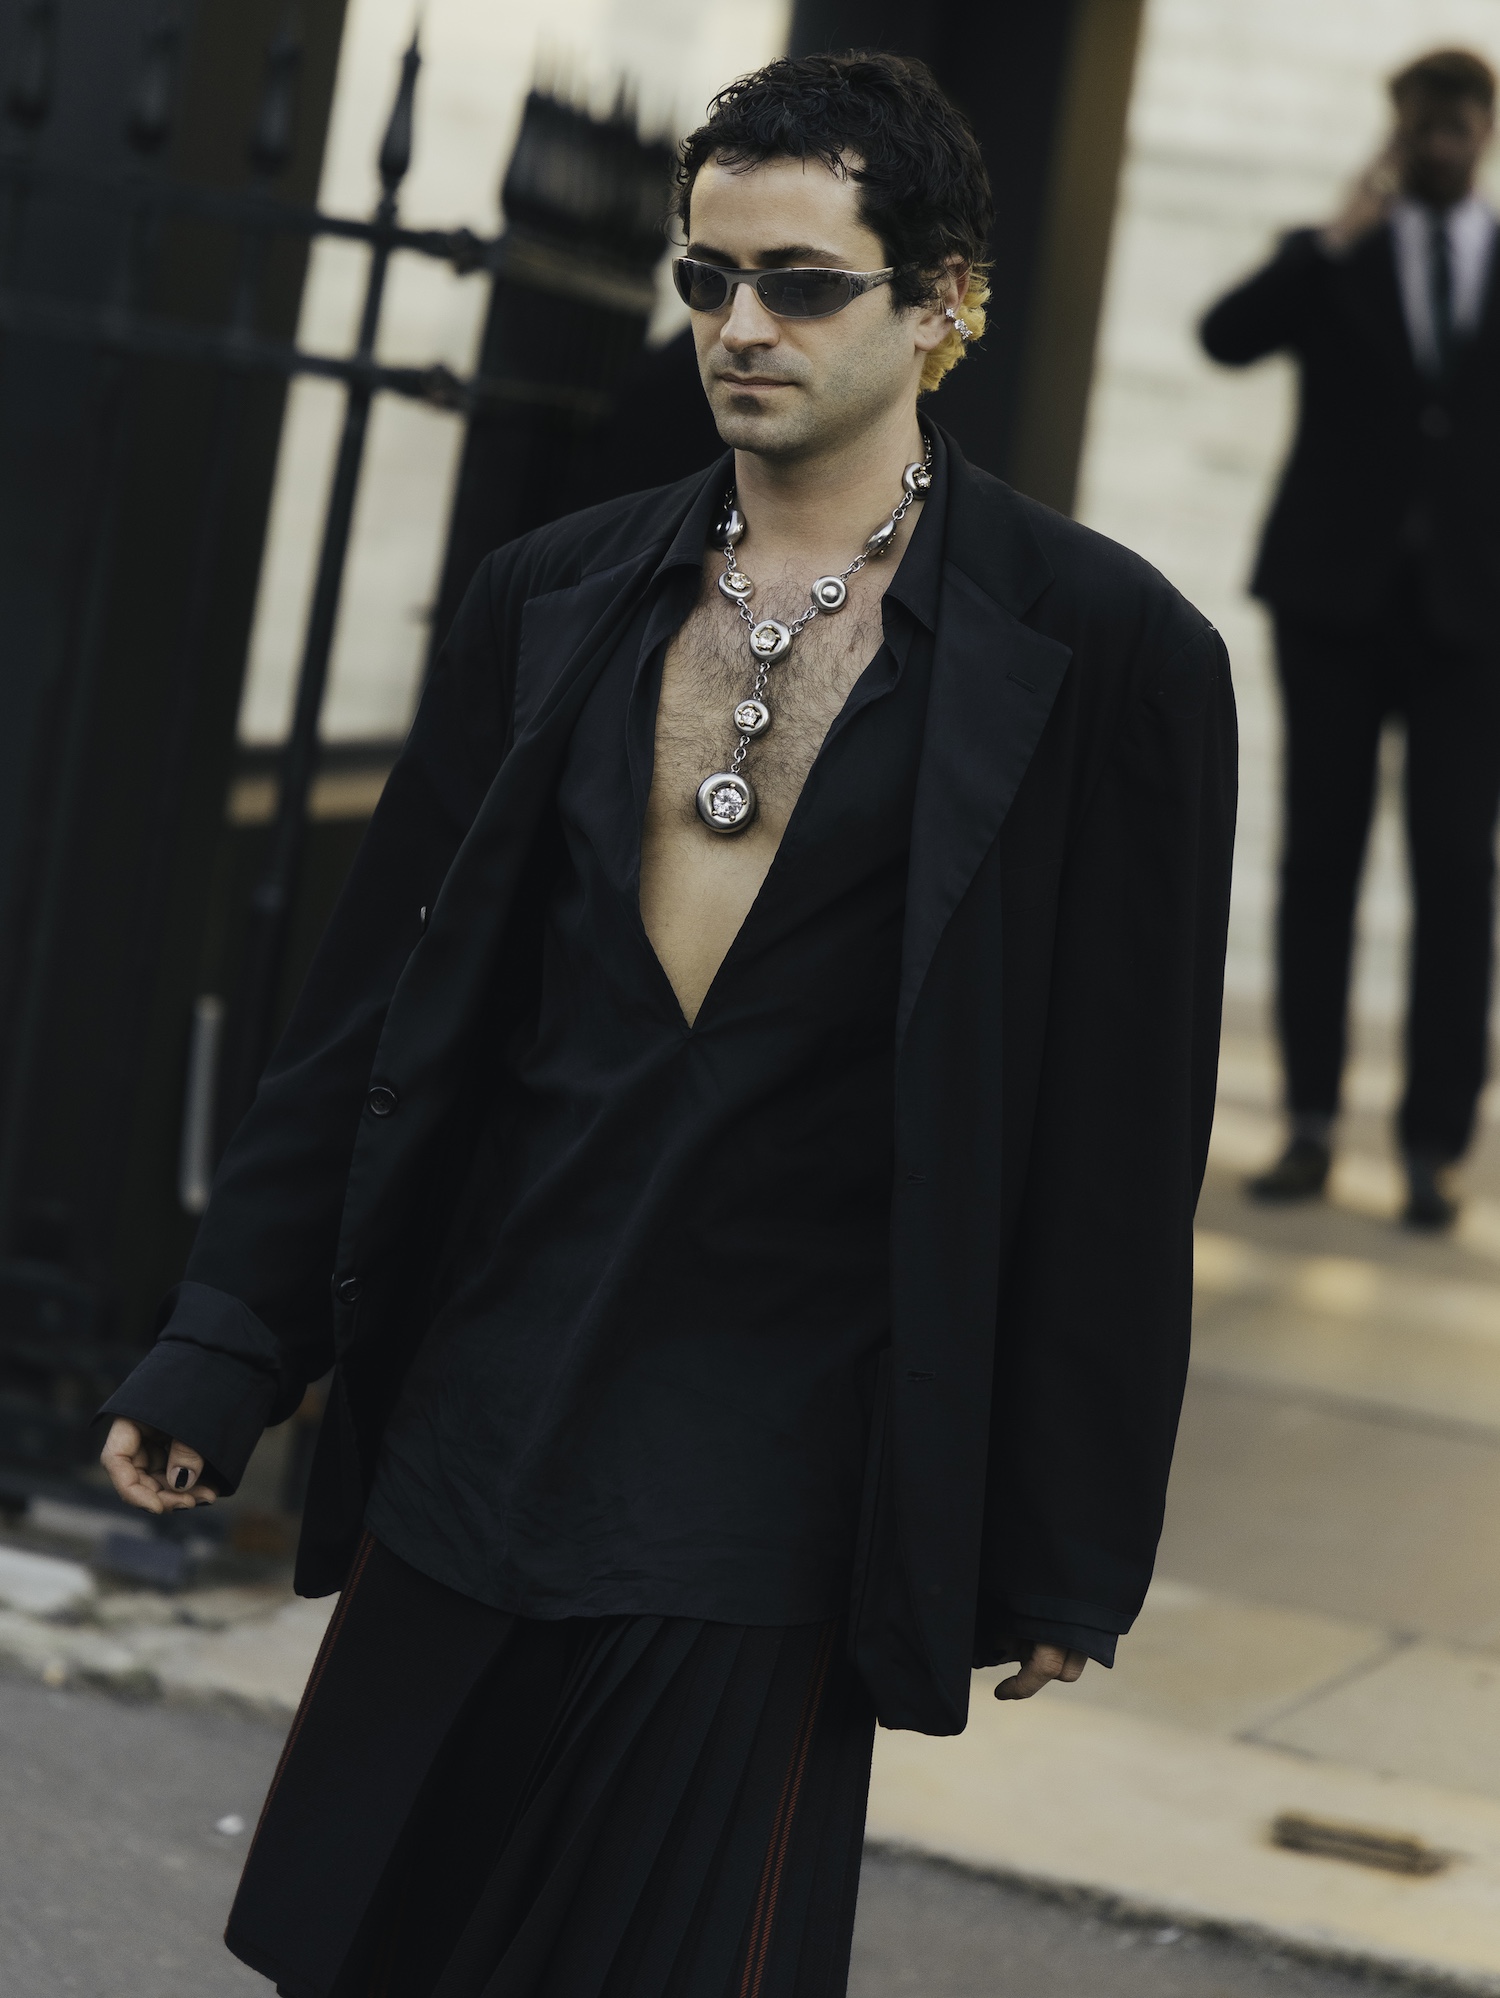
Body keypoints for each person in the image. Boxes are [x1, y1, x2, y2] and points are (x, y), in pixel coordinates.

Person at [97, 51, 1236, 1998]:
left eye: (803, 282)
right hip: (487, 1401)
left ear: (945, 303)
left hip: (777, 1462)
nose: (741, 325)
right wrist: (230, 1335)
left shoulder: (1110, 655)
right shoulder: (555, 596)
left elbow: (1119, 1133)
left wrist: (1067, 1520)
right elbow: (370, 1009)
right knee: (372, 1949)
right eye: (709, 278)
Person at [1202, 48, 1500, 1231]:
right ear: (1395, 132)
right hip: (1332, 605)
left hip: (1475, 619)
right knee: (1318, 858)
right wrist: (1334, 233)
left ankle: (1433, 1146)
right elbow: (1227, 337)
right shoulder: (1334, 255)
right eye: (1422, 126)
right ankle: (1311, 1123)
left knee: (1456, 871)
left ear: (1486, 132)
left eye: (1459, 125)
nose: (1441, 144)